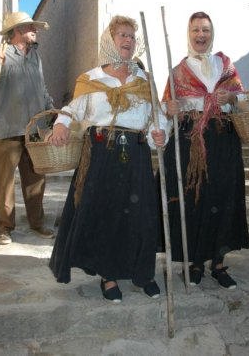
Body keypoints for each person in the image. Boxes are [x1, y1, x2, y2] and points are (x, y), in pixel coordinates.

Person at [49, 15, 170, 304]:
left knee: (142, 217)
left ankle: (143, 274)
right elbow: (70, 110)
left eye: (132, 36)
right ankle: (109, 275)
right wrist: (61, 125)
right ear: (110, 41)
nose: (128, 40)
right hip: (101, 154)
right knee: (106, 215)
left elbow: (159, 116)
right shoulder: (91, 79)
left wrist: (161, 133)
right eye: (122, 35)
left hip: (137, 153)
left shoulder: (144, 80)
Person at [160, 11, 249, 290]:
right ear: (189, 34)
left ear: (212, 33)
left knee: (223, 197)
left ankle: (219, 262)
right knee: (195, 198)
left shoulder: (226, 66)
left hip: (223, 138)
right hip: (190, 138)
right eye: (196, 30)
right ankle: (196, 262)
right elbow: (167, 107)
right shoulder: (178, 71)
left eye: (206, 30)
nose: (201, 35)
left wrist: (231, 96)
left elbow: (242, 100)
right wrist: (170, 108)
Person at [0, 11, 55, 245]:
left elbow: (42, 88)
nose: (35, 29)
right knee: (4, 182)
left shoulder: (35, 57)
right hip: (5, 129)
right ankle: (5, 227)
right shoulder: (0, 54)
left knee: (36, 178)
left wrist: (52, 112)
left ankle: (37, 223)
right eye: (31, 26)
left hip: (33, 129)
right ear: (17, 30)